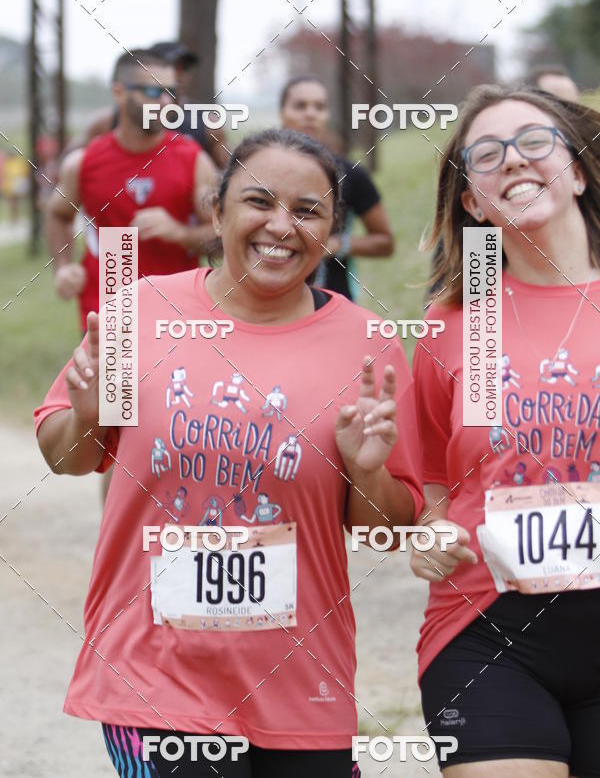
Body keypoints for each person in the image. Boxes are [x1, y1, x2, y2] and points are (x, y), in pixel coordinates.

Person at [35, 128, 424, 777]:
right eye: (259, 202)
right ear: (216, 212)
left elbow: (386, 530)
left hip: (303, 680)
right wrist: (88, 412)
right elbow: (64, 458)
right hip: (153, 677)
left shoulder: (368, 341)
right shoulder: (140, 312)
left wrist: (365, 468)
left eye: (307, 211)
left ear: (330, 232)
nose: (281, 226)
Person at [410, 84, 600, 776]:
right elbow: (435, 477)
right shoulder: (457, 322)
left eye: (534, 141)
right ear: (472, 202)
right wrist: (428, 530)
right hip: (489, 635)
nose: (513, 161)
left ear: (576, 170)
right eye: (486, 156)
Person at [45, 48, 218, 334]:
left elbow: (220, 233)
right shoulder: (84, 163)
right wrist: (63, 266)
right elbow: (58, 214)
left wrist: (179, 232)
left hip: (175, 313)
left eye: (170, 92)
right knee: (116, 381)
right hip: (107, 311)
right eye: (153, 91)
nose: (165, 101)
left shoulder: (194, 160)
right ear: (119, 93)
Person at [280, 75, 394, 300]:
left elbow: (385, 242)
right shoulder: (259, 169)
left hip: (334, 300)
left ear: (327, 115)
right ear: (282, 112)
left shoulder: (350, 173)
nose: (310, 113)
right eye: (300, 105)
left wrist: (337, 244)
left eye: (319, 107)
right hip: (271, 297)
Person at [63, 41, 229, 169]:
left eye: (183, 68)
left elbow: (229, 175)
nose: (178, 74)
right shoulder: (109, 120)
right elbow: (66, 165)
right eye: (170, 66)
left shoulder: (207, 121)